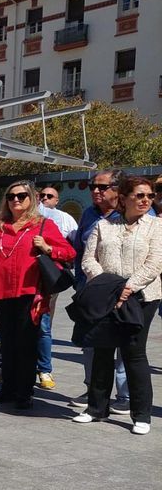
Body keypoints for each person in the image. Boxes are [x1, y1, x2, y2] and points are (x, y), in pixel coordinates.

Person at [72, 177, 162, 434]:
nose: (146, 200)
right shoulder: (104, 226)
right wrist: (107, 285)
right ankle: (95, 408)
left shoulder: (156, 226)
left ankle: (141, 414)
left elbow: (155, 263)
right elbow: (88, 259)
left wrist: (128, 287)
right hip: (106, 295)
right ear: (123, 198)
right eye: (140, 195)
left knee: (134, 352)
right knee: (102, 349)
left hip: (142, 296)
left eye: (150, 195)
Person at [0, 181, 76, 411]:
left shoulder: (43, 225)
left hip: (29, 292)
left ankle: (24, 392)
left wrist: (48, 248)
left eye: (21, 196)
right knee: (8, 343)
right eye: (11, 196)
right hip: (0, 292)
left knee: (26, 343)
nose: (16, 200)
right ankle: (8, 389)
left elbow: (69, 252)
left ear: (31, 199)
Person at [30, 185, 77, 390]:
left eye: (50, 196)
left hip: (46, 281)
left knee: (42, 324)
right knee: (12, 329)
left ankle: (44, 369)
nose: (45, 199)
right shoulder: (11, 222)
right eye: (41, 195)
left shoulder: (59, 220)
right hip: (17, 286)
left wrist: (48, 248)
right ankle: (5, 366)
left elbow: (72, 251)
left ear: (57, 200)